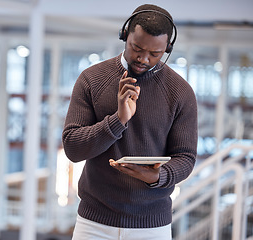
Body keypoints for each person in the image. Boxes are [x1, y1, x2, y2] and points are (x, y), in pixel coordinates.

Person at [61, 4, 198, 240]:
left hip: (152, 227)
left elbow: (185, 157)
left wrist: (157, 177)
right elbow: (73, 148)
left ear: (167, 48)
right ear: (125, 35)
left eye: (155, 54)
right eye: (137, 48)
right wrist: (118, 119)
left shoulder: (180, 92)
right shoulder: (92, 79)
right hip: (93, 224)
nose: (144, 58)